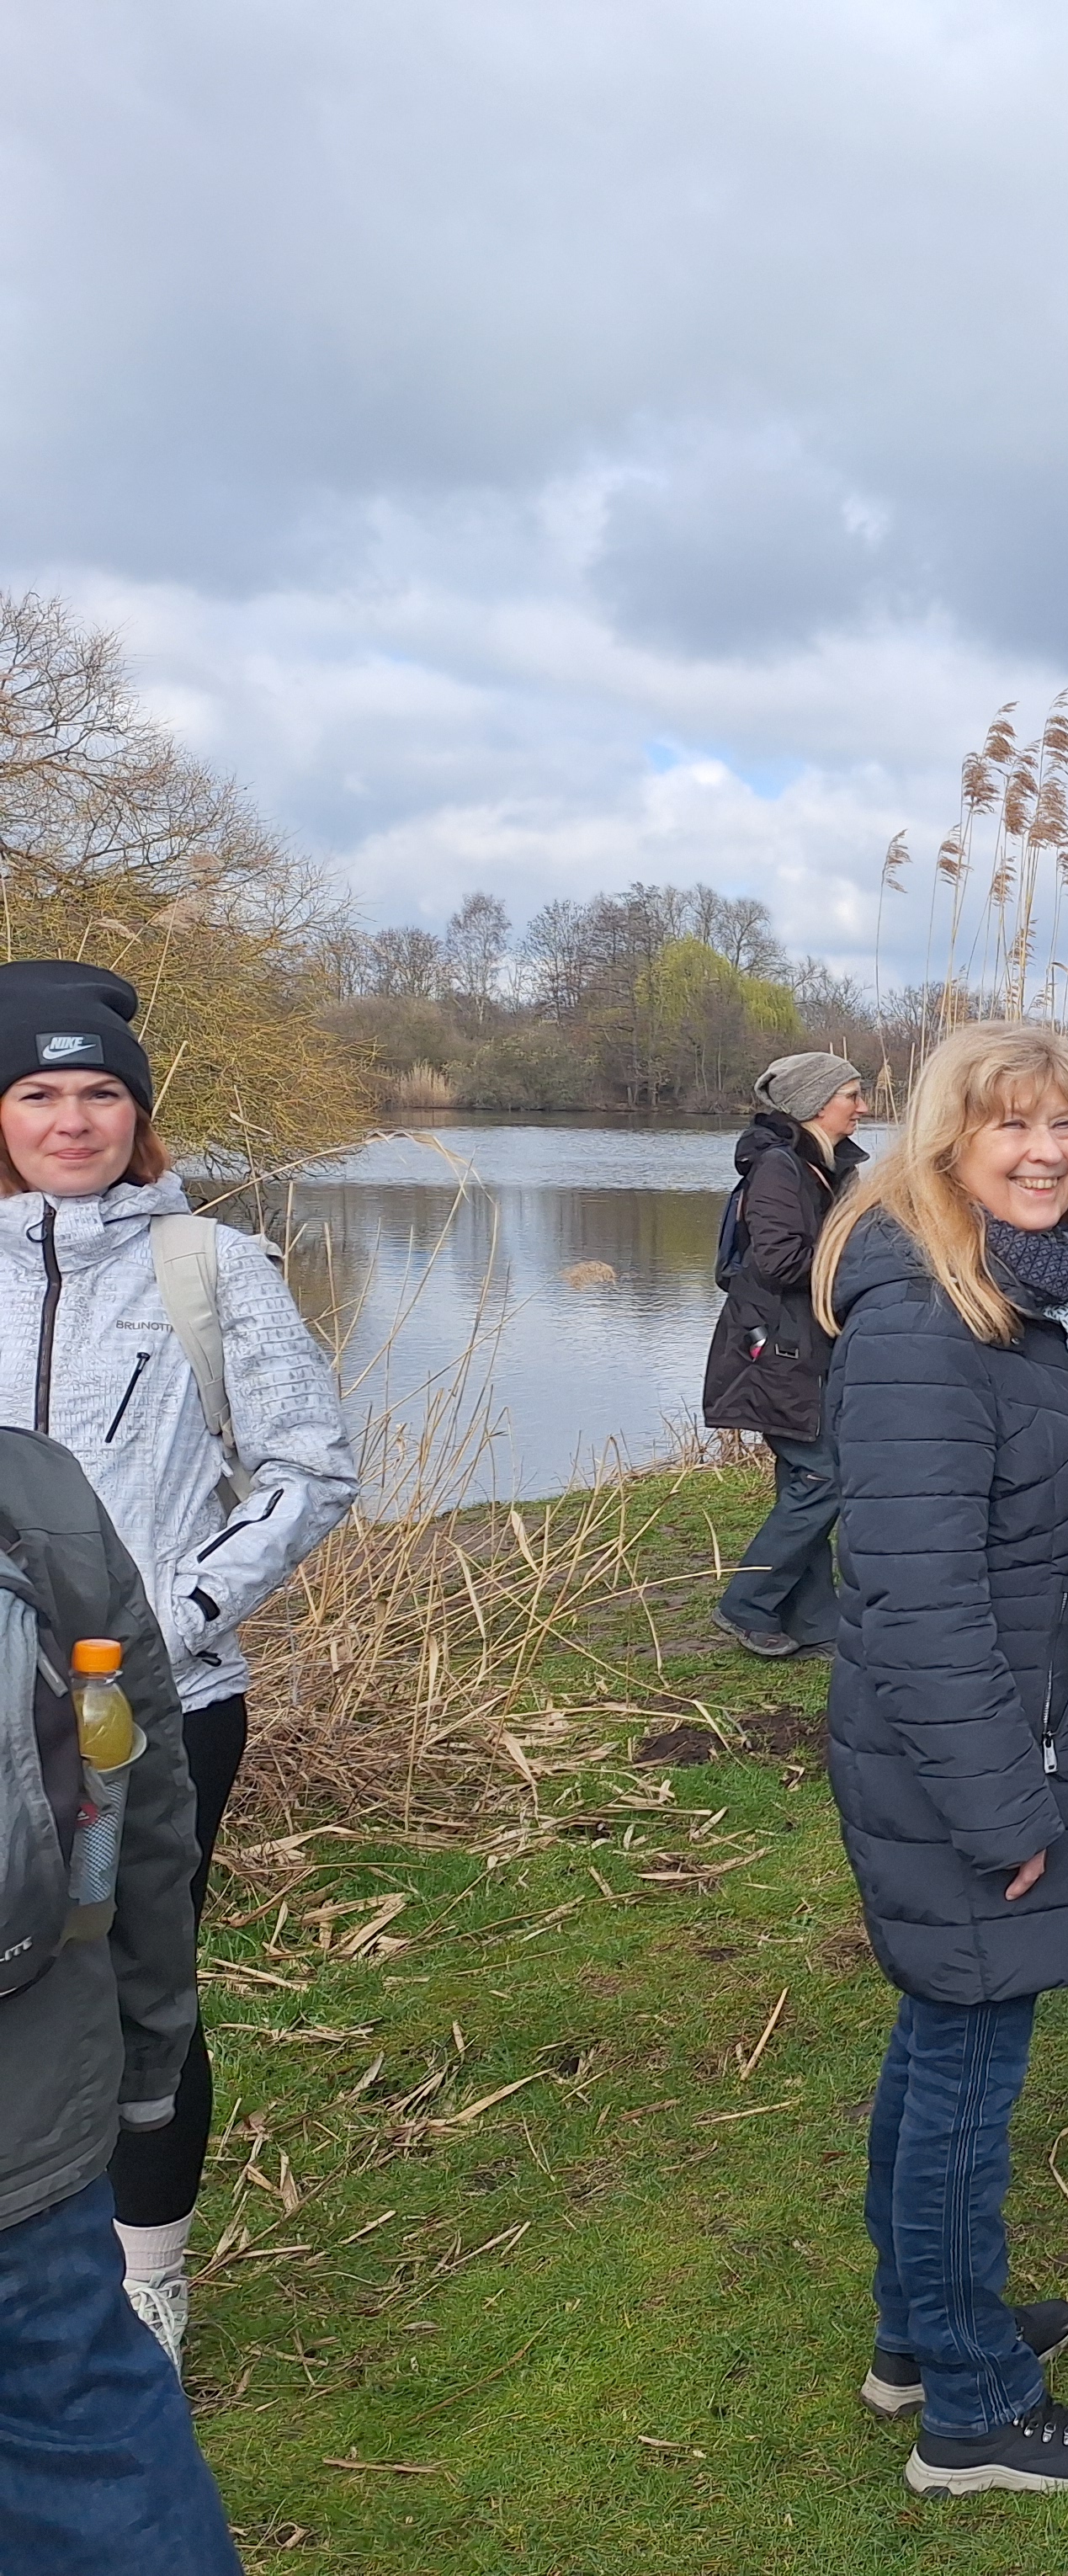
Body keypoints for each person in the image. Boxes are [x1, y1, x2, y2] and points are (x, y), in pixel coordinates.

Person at [812, 1021, 1068, 2494]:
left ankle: (918, 2327)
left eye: (1067, 1128)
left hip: (1008, 1739)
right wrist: (1001, 1805)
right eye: (1008, 1127)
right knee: (971, 2069)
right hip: (980, 1765)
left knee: (943, 2037)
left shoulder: (1025, 1304)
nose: (1044, 1153)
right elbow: (916, 1596)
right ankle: (973, 2404)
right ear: (943, 1142)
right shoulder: (924, 1327)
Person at [0, 961, 360, 2366]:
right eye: (39, 1091)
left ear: (137, 1116)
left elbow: (311, 1471)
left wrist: (173, 1620)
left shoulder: (210, 1269)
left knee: (137, 1980)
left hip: (149, 1715)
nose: (73, 1118)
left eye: (100, 1093)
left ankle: (146, 2278)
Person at [0, 1424, 237, 2574]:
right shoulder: (30, 1486)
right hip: (28, 2120)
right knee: (92, 2447)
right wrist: (150, 2066)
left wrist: (206, 1597)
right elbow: (143, 1824)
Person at [706, 1049, 871, 1658]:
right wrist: (862, 1266)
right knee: (823, 1475)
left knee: (805, 1477)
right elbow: (779, 1262)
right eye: (852, 1095)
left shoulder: (816, 1168)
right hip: (773, 1353)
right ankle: (745, 1605)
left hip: (797, 1349)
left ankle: (812, 1622)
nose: (863, 1107)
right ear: (813, 1104)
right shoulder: (781, 1169)